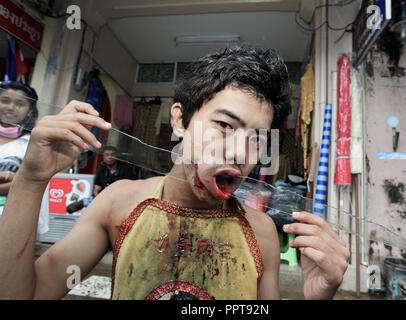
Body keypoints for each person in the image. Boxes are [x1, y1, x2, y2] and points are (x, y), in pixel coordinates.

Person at [0, 45, 350, 300]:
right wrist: (31, 181)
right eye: (225, 125)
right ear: (180, 120)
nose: (241, 153)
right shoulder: (118, 202)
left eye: (258, 139)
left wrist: (318, 297)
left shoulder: (260, 233)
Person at [0, 81, 48, 235]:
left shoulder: (34, 144)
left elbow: (32, 183)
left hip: (11, 224)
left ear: (29, 111)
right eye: (5, 101)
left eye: (20, 104)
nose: (10, 107)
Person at [66, 145, 135, 213]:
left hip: (119, 198)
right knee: (73, 207)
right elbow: (96, 190)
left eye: (112, 155)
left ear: (117, 156)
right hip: (102, 198)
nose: (110, 157)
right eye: (107, 155)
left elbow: (130, 188)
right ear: (103, 157)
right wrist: (99, 201)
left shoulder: (125, 169)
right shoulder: (102, 169)